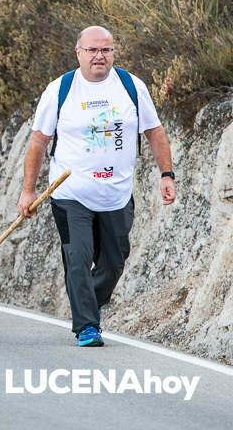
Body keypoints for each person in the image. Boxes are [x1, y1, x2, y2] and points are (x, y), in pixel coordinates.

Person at [17, 26, 176, 347]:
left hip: (116, 195)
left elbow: (155, 132)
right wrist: (28, 190)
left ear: (114, 53)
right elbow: (38, 141)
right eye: (92, 50)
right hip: (70, 194)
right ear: (78, 53)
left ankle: (86, 299)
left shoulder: (131, 86)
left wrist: (167, 174)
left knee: (114, 262)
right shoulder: (60, 90)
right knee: (78, 256)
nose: (99, 56)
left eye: (105, 50)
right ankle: (87, 326)